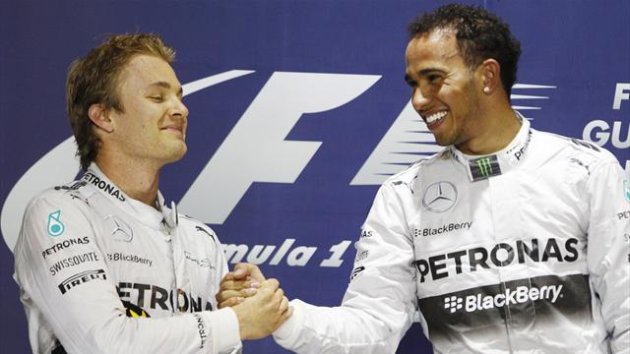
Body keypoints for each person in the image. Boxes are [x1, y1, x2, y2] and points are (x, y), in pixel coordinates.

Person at [218, 4, 630, 353]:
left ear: (487, 76)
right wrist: (284, 315)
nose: (418, 100)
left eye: (434, 79)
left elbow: (626, 312)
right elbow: (372, 328)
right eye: (414, 84)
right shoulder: (403, 196)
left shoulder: (586, 171)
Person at [13, 33, 291, 354]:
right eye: (158, 98)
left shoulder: (201, 240)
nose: (181, 109)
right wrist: (235, 322)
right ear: (104, 116)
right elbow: (102, 344)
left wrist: (242, 304)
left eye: (179, 96)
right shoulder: (58, 213)